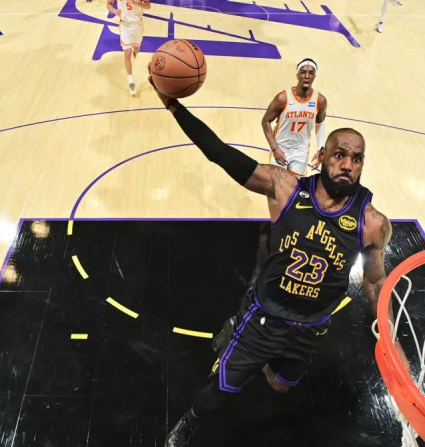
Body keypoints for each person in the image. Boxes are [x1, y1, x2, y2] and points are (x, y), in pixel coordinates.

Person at [148, 74, 409, 447]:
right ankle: (190, 420)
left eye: (356, 158)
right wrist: (173, 105)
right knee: (218, 395)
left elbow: (375, 281)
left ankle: (253, 350)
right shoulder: (284, 187)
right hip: (265, 317)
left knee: (280, 385)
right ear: (321, 156)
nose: (348, 165)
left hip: (311, 327)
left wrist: (391, 334)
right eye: (339, 154)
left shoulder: (372, 224)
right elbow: (219, 152)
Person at [261, 58, 327, 176]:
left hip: (301, 151)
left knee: (296, 186)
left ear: (314, 76)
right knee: (276, 184)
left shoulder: (320, 100)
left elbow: (320, 124)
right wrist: (275, 149)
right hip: (281, 147)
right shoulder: (283, 98)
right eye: (303, 72)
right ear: (297, 75)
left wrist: (320, 149)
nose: (307, 76)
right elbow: (265, 121)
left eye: (311, 73)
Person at [106, 0, 151, 95]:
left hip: (137, 25)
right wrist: (115, 11)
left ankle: (135, 53)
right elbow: (109, 4)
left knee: (136, 49)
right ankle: (130, 81)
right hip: (125, 25)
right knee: (127, 53)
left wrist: (135, 3)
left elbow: (148, 6)